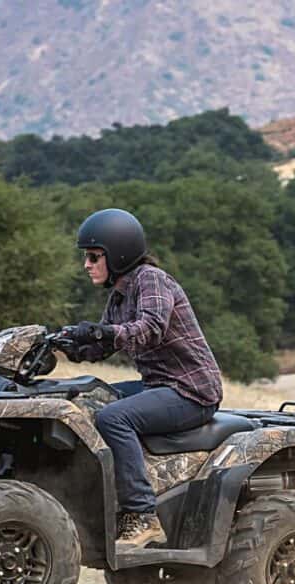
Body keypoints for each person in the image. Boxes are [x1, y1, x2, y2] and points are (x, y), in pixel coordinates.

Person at [59, 208, 223, 547]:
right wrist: (69, 344)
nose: (86, 264)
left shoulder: (151, 280)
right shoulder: (118, 295)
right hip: (158, 385)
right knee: (85, 400)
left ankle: (142, 516)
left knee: (113, 418)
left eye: (93, 256)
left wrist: (101, 332)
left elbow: (150, 328)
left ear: (118, 253)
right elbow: (102, 346)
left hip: (190, 391)